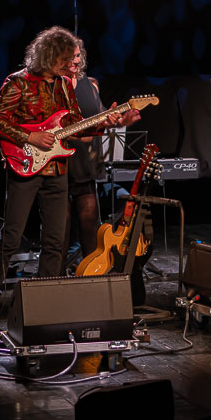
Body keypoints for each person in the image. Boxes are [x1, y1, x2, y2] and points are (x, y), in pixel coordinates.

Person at [0, 26, 126, 333]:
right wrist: (30, 136)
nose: (73, 65)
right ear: (49, 56)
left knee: (55, 242)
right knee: (11, 237)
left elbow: (73, 126)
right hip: (25, 168)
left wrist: (105, 123)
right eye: (67, 59)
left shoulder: (63, 85)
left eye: (74, 59)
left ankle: (44, 307)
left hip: (57, 169)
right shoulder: (18, 82)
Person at [64, 39, 140, 269]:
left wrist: (120, 121)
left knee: (90, 225)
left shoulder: (90, 85)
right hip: (59, 162)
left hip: (85, 164)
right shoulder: (54, 85)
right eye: (71, 56)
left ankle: (90, 273)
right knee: (60, 228)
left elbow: (102, 117)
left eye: (78, 55)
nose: (76, 60)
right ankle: (55, 277)